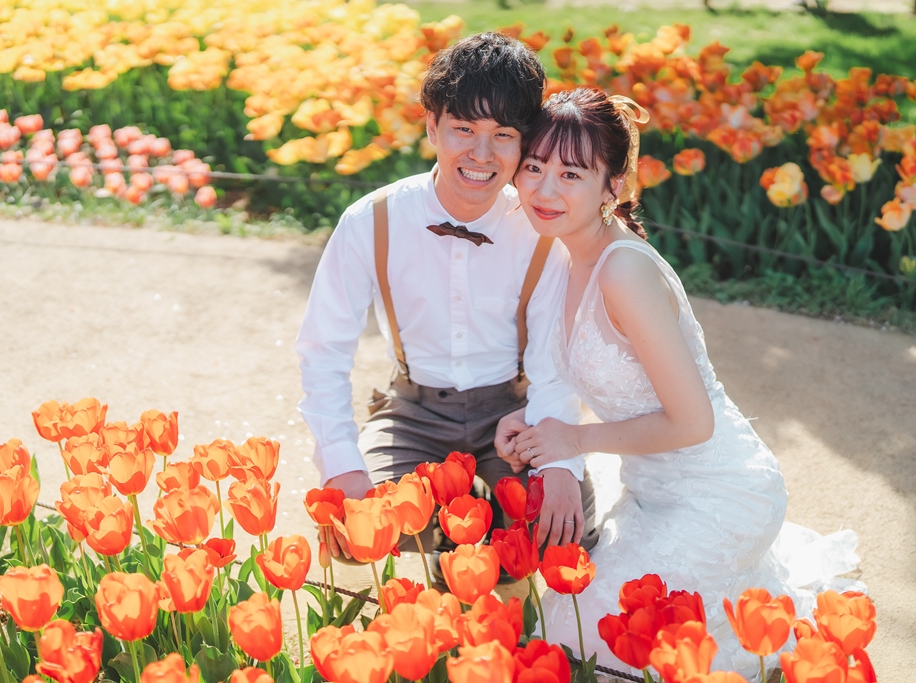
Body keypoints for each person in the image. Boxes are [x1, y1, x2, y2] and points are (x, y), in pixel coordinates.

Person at [498, 87, 862, 676]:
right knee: (568, 626)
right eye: (534, 168)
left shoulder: (623, 272)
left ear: (613, 187)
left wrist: (575, 438)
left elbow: (694, 422)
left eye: (571, 174)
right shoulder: (562, 257)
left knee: (591, 638)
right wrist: (532, 423)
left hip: (718, 492)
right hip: (648, 487)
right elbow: (581, 379)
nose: (544, 190)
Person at [295, 32, 599, 563]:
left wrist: (560, 465)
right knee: (355, 533)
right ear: (431, 125)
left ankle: (483, 527)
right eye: (464, 129)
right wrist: (341, 463)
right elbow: (324, 350)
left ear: (524, 141)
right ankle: (454, 531)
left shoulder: (541, 229)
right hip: (413, 410)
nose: (481, 154)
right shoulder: (372, 220)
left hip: (515, 413)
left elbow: (554, 364)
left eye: (503, 135)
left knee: (558, 532)